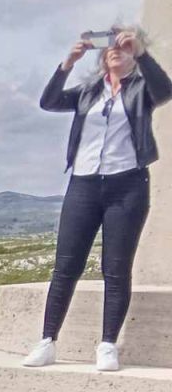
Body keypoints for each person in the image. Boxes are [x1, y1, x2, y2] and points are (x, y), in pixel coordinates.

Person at [24, 26, 171, 372]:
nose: (115, 50)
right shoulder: (89, 92)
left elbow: (165, 91)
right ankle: (47, 340)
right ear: (102, 58)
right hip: (84, 184)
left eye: (123, 46)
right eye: (110, 47)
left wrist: (142, 54)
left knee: (116, 268)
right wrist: (68, 63)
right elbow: (49, 101)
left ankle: (107, 344)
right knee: (66, 266)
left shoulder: (141, 89)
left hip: (128, 184)